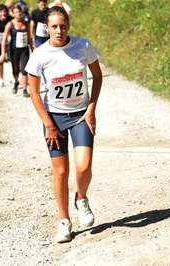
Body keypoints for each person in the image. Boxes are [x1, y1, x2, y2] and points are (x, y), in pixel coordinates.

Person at [25, 6, 103, 243]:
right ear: (46, 28)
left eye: (63, 25)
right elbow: (34, 92)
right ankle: (65, 221)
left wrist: (91, 108)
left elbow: (97, 77)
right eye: (54, 26)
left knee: (83, 167)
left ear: (68, 25)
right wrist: (48, 124)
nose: (59, 30)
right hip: (55, 119)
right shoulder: (40, 54)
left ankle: (81, 198)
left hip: (80, 114)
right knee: (61, 173)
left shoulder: (83, 46)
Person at [0, 4, 33, 97]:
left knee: (25, 70)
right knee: (15, 71)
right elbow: (4, 40)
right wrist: (3, 54)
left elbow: (30, 38)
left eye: (19, 12)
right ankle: (16, 82)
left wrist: (33, 50)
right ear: (13, 14)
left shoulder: (26, 23)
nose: (18, 14)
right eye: (16, 12)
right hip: (13, 50)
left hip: (24, 50)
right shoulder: (10, 24)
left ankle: (25, 89)